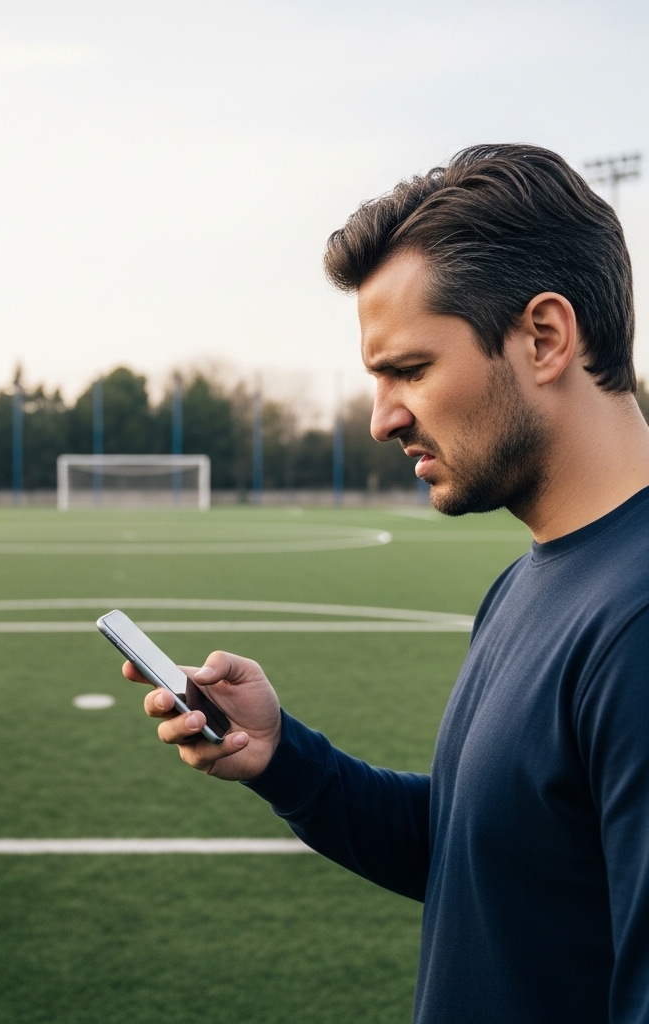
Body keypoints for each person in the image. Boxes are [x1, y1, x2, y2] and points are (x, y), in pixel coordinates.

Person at [123, 144, 649, 1024]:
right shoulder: (528, 583)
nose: (383, 418)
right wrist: (286, 760)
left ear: (546, 337)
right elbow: (480, 854)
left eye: (409, 370)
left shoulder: (637, 624)